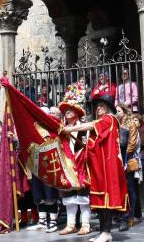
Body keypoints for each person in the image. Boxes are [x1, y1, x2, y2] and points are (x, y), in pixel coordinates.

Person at [62, 93, 128, 242]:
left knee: (106, 199)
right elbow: (96, 140)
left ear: (108, 108)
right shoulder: (106, 121)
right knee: (101, 200)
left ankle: (106, 232)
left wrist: (70, 130)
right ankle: (104, 232)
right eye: (97, 106)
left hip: (107, 166)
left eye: (101, 106)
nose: (98, 108)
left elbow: (92, 125)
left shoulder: (109, 119)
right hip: (102, 165)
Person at [58, 95, 92, 235]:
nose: (67, 112)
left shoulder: (84, 127)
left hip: (81, 165)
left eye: (70, 109)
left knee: (83, 197)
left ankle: (85, 224)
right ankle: (71, 224)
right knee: (69, 197)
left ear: (77, 112)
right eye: (65, 110)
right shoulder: (62, 129)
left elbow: (90, 145)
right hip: (68, 165)